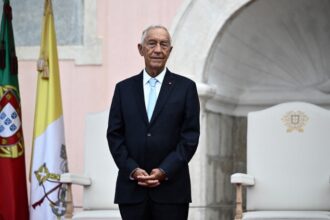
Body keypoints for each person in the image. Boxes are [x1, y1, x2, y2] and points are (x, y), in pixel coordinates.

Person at [107, 25, 200, 220]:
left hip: (172, 190)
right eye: (152, 43)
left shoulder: (186, 88)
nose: (158, 49)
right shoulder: (123, 89)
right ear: (140, 49)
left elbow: (190, 137)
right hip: (132, 191)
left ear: (170, 51)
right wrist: (132, 170)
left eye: (164, 44)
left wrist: (165, 170)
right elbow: (115, 135)